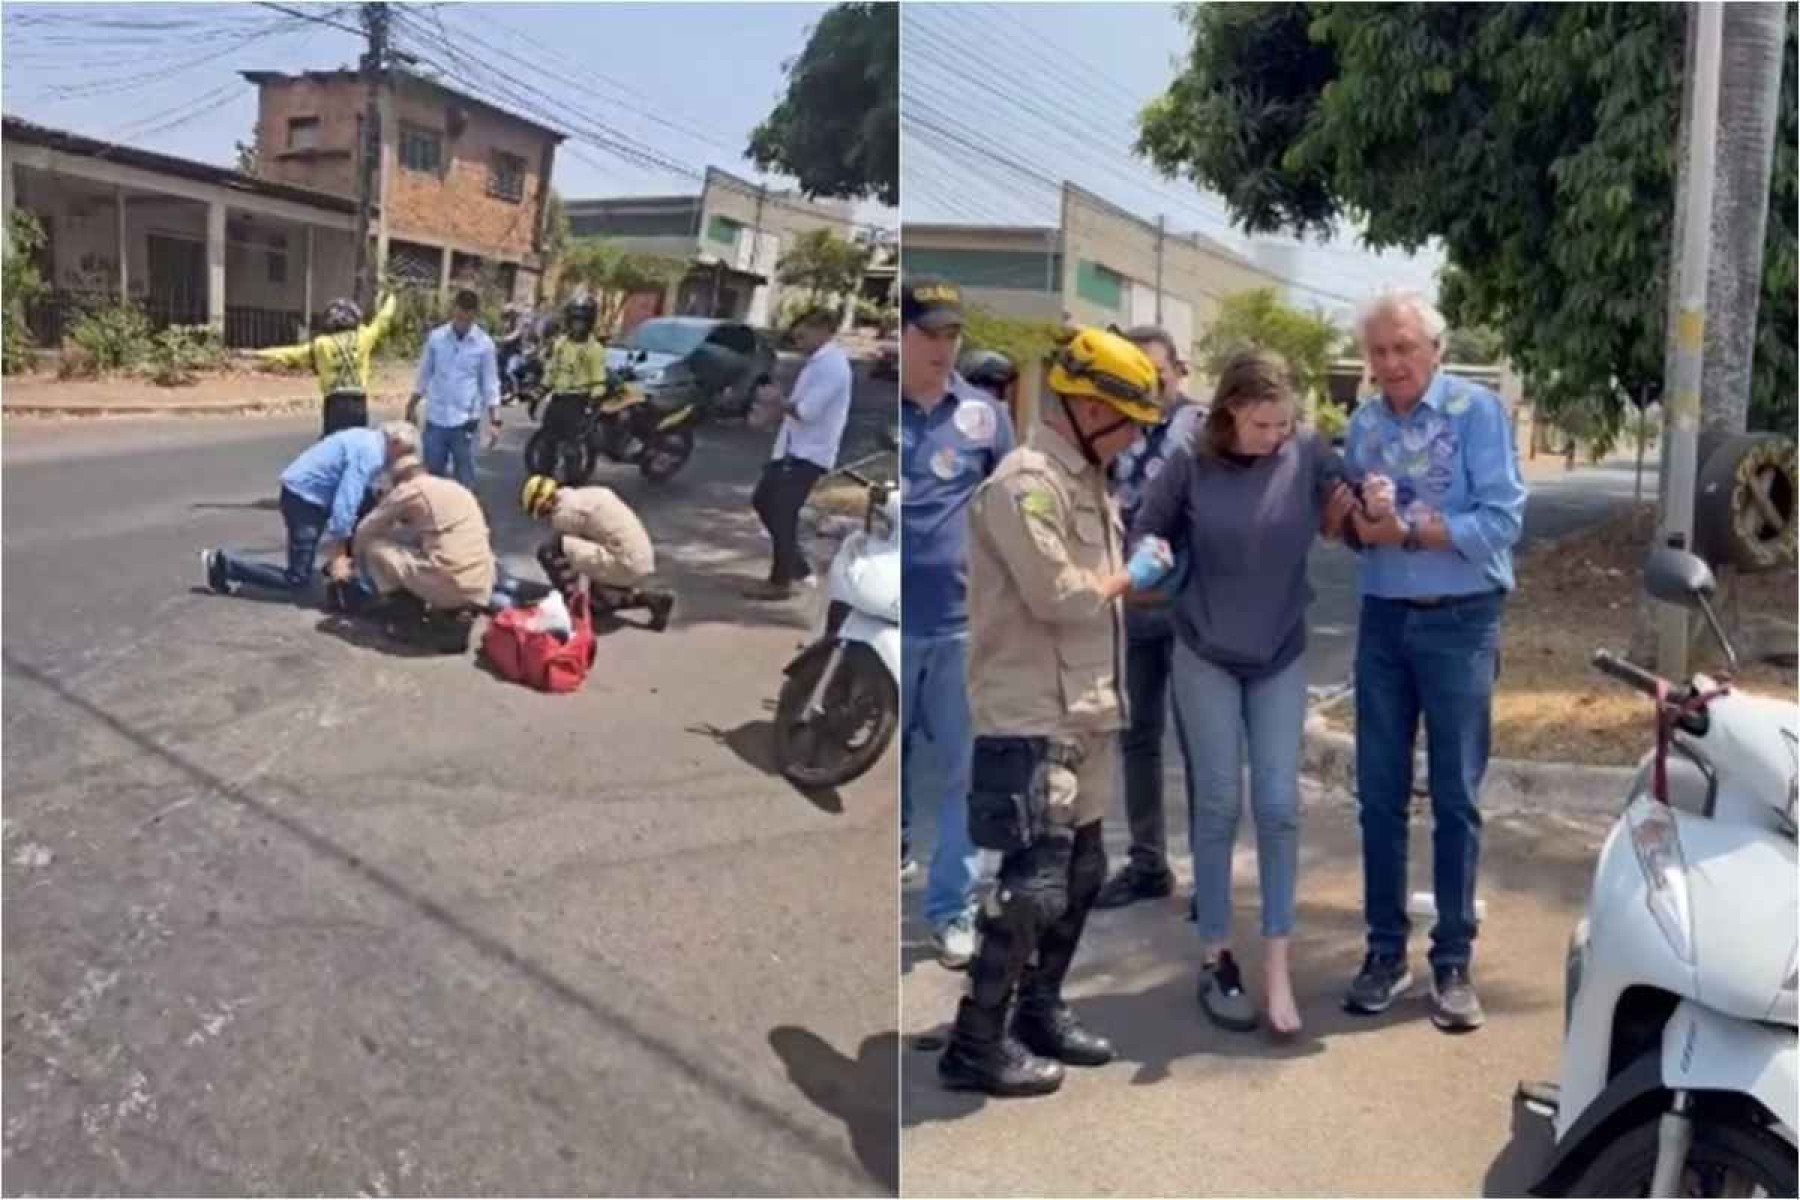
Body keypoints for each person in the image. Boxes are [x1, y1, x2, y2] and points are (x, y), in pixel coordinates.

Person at [938, 326, 1164, 1098]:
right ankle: (975, 1041)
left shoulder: (1091, 479)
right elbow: (1060, 593)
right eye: (1128, 417)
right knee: (1033, 883)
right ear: (1088, 406)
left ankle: (1039, 1010)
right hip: (1030, 705)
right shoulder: (1025, 482)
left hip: (1090, 703)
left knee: (1084, 872)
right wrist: (1129, 576)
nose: (1136, 435)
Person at [1131, 349, 1357, 1038]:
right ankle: (1217, 954)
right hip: (1205, 649)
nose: (1276, 437)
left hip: (1280, 650)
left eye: (1285, 424)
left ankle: (1279, 966)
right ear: (1229, 411)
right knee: (1221, 800)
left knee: (1280, 805)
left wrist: (1363, 499)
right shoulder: (1189, 463)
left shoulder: (1308, 450)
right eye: (1263, 425)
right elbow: (1144, 527)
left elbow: (1349, 496)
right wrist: (1152, 554)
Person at [1338, 290, 1526, 1033]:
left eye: (1403, 348)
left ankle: (1453, 962)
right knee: (1378, 797)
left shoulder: (1476, 415)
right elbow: (1355, 527)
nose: (1390, 364)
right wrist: (1361, 521)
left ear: (1435, 349)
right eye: (1379, 352)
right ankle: (1385, 952)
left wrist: (1408, 531)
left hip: (1461, 622)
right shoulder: (1362, 425)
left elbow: (1503, 521)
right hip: (1382, 623)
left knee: (1455, 796)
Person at [899, 278, 1016, 966]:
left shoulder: (983, 418)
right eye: (930, 334)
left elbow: (1009, 509)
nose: (943, 348)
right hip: (883, 616)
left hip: (960, 625)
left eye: (953, 336)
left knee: (962, 773)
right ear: (905, 333)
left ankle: (951, 908)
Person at [1094, 326, 1207, 912]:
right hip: (1131, 607)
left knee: (1198, 744)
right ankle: (1146, 863)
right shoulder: (1117, 427)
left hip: (1189, 611)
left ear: (1179, 370)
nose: (1147, 383)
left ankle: (1205, 876)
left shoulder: (1205, 428)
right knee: (1137, 738)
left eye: (1156, 373)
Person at [201, 421, 417, 601]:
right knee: (297, 579)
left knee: (372, 507)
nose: (401, 461)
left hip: (313, 491)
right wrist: (339, 552)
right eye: (404, 453)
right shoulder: (371, 453)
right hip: (303, 498)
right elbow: (346, 501)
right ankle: (222, 565)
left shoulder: (369, 439)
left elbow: (369, 494)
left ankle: (342, 566)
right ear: (395, 443)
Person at [745, 308, 854, 601]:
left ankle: (780, 581)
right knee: (763, 501)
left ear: (823, 330)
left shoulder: (832, 366)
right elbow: (797, 409)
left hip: (808, 454)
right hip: (792, 449)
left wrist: (776, 400)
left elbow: (807, 411)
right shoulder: (818, 363)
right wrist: (771, 414)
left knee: (781, 513)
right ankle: (796, 566)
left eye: (803, 334)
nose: (798, 340)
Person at [344, 450, 497, 649]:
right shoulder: (454, 487)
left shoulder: (410, 490)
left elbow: (366, 529)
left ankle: (407, 618)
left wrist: (350, 561)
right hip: (482, 583)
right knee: (427, 550)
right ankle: (455, 615)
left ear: (400, 479)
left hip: (453, 581)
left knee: (375, 547)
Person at [518, 474, 675, 632]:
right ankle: (653, 600)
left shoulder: (564, 515)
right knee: (596, 595)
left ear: (544, 503)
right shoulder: (589, 492)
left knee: (550, 550)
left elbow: (570, 557)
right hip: (641, 555)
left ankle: (571, 604)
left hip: (625, 562)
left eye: (542, 512)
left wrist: (568, 585)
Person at [254, 293, 398, 438]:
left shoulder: (321, 344)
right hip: (358, 402)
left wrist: (258, 354)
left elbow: (292, 354)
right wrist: (391, 298)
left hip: (335, 403)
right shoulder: (363, 337)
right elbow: (382, 320)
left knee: (331, 444)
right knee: (358, 442)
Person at [406, 289, 501, 492]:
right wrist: (411, 405)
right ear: (454, 311)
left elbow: (490, 384)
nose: (462, 323)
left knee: (465, 480)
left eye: (467, 318)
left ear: (474, 315)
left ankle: (463, 519)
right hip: (436, 419)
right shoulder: (437, 338)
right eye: (458, 316)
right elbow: (424, 374)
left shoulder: (484, 345)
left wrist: (495, 421)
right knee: (430, 479)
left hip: (466, 422)